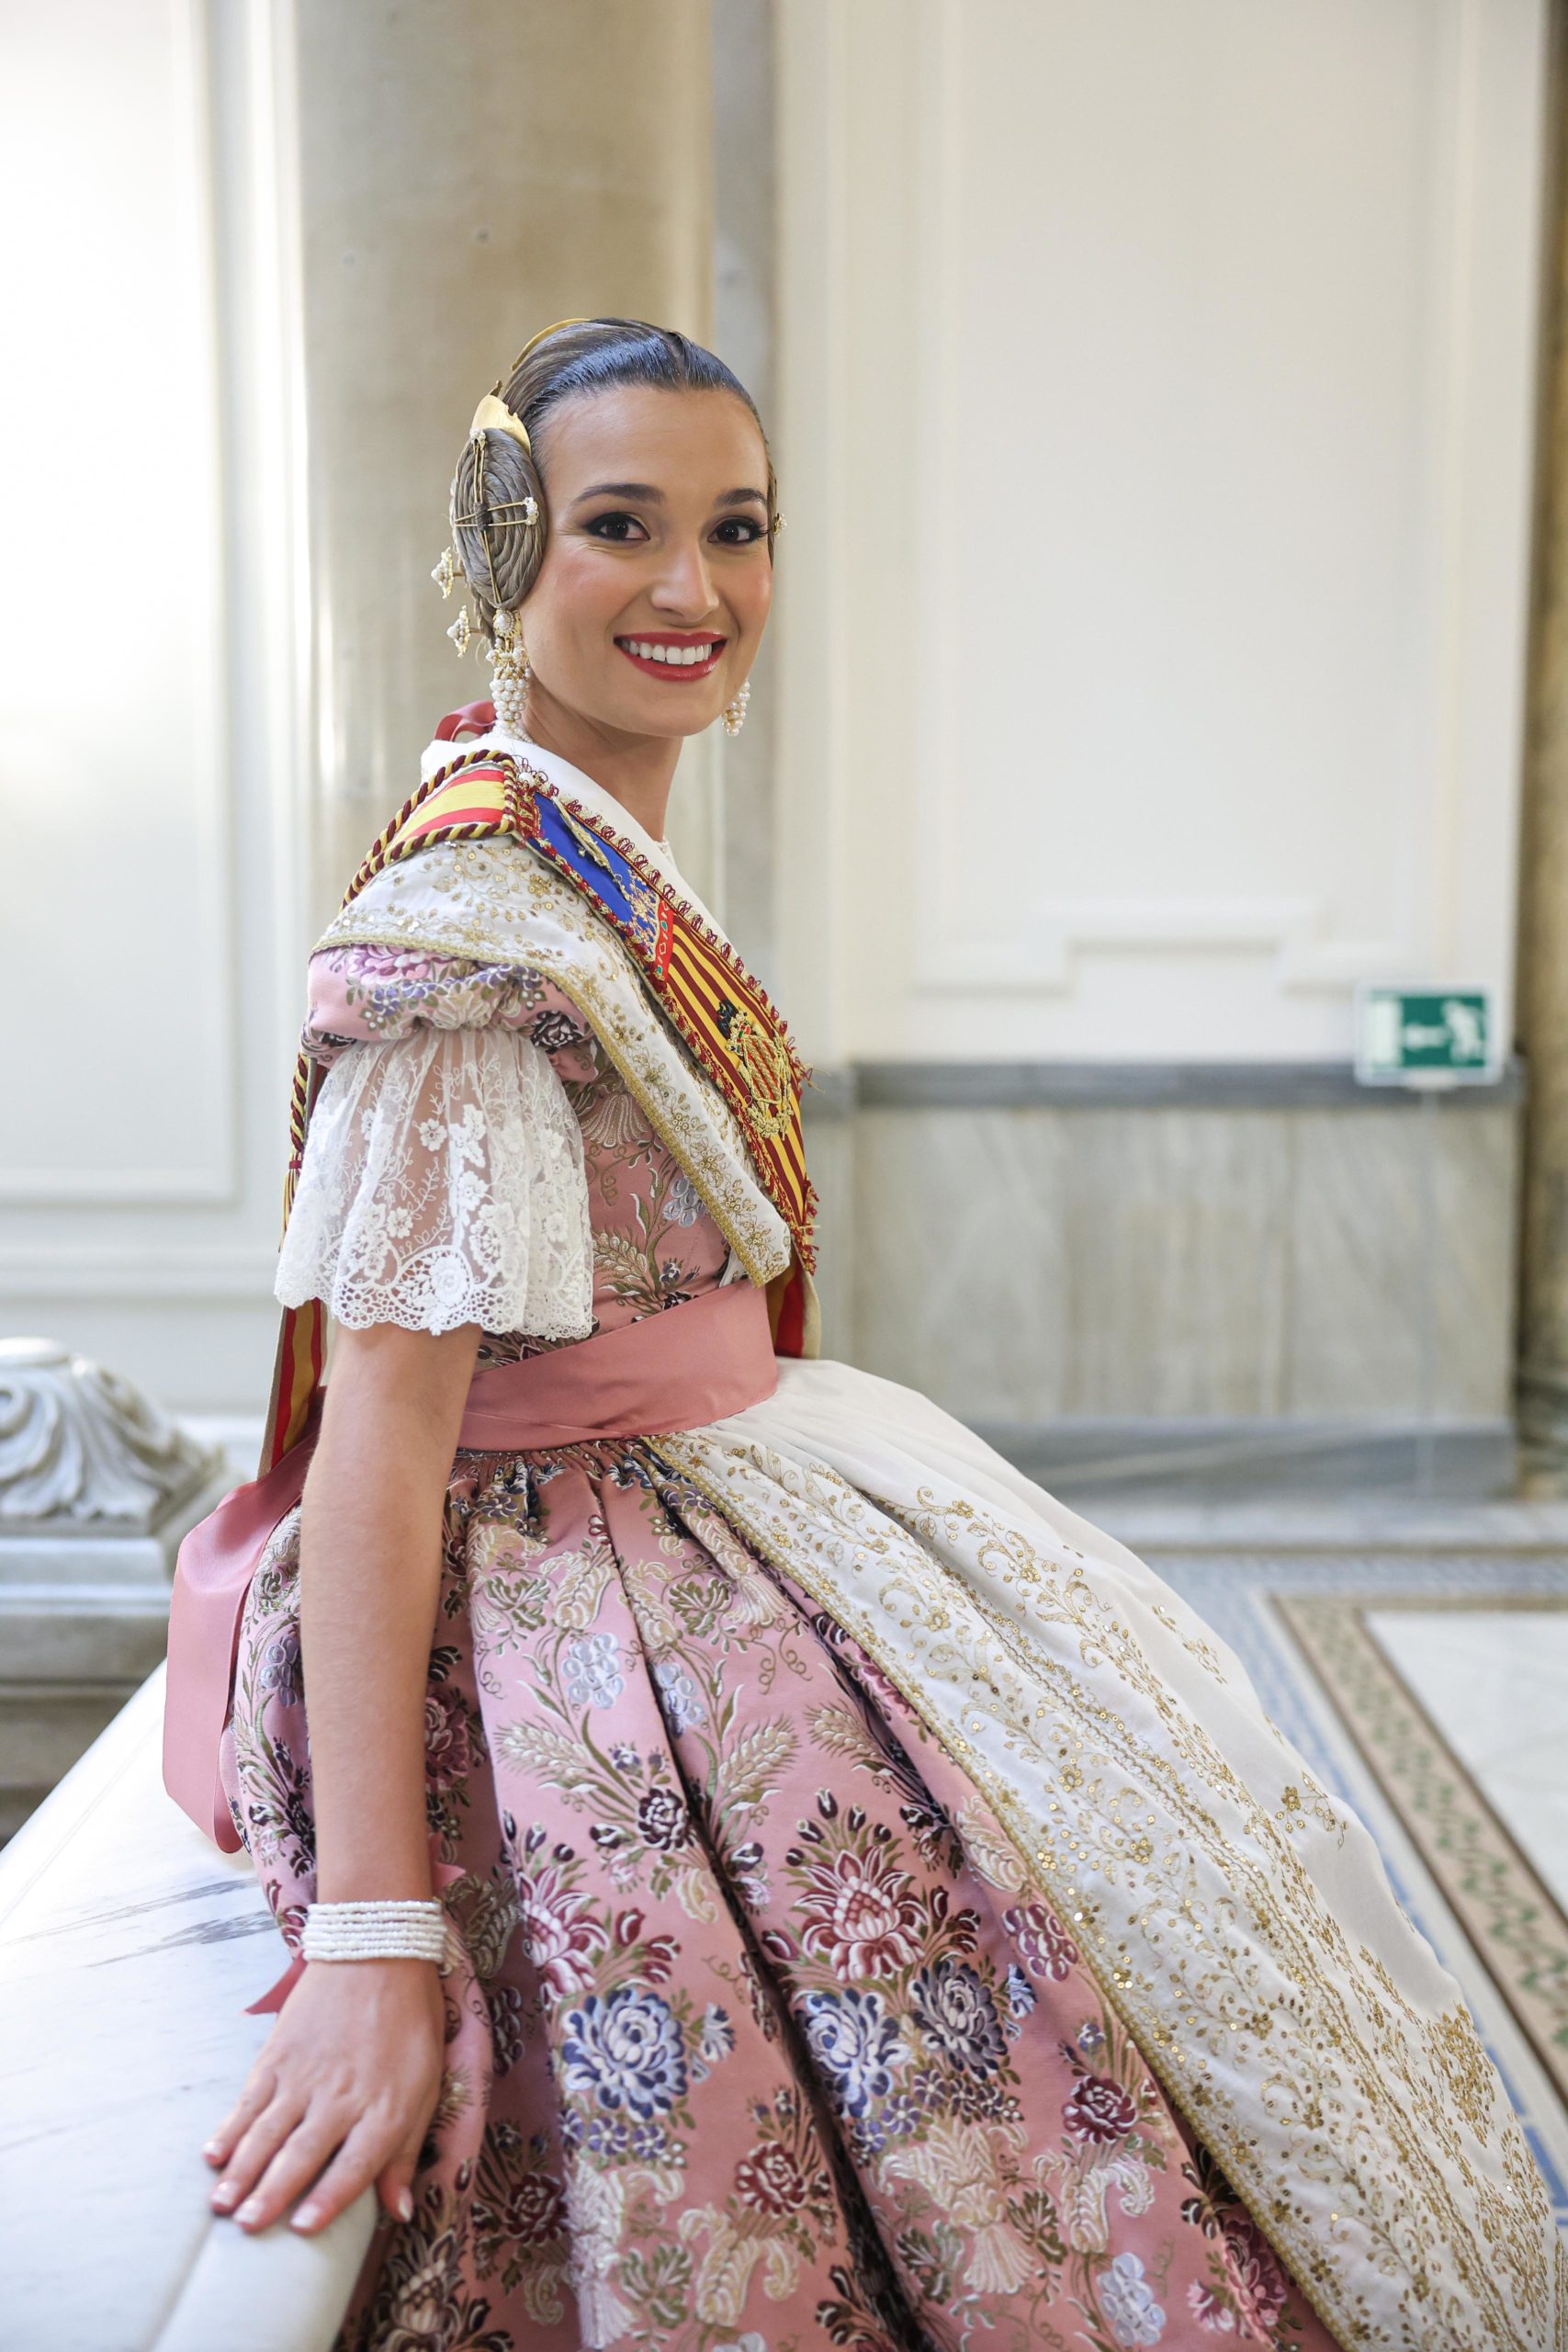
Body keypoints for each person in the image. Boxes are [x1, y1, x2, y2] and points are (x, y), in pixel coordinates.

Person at [165, 319, 1560, 2352]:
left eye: (736, 529)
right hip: (564, 1606)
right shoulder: (471, 941)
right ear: (500, 548)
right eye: (620, 525)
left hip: (723, 1485)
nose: (691, 586)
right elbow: (382, 1431)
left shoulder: (575, 849)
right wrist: (381, 1937)